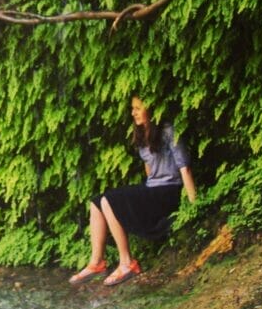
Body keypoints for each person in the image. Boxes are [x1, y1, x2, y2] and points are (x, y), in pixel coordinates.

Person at [69, 95, 197, 286]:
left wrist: (194, 205)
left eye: (138, 108)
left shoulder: (169, 131)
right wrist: (143, 192)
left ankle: (127, 262)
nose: (133, 112)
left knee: (109, 201)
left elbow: (184, 167)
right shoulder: (142, 134)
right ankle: (96, 262)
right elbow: (149, 170)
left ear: (151, 110)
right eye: (132, 108)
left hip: (169, 191)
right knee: (96, 202)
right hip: (152, 188)